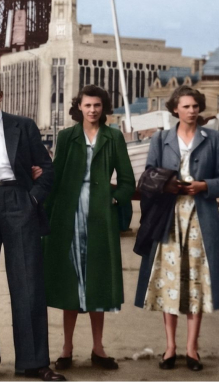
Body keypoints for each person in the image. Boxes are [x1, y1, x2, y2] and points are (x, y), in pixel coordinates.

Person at [0, 73, 63, 382]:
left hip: (18, 201)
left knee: (28, 283)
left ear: (0, 96)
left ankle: (34, 362)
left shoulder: (24, 126)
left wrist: (31, 199)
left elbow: (47, 169)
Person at [135, 85, 219, 372]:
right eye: (186, 106)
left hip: (200, 219)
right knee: (168, 283)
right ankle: (170, 347)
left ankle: (192, 349)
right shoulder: (161, 138)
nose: (192, 111)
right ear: (175, 109)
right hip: (167, 218)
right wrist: (168, 184)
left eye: (195, 106)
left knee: (196, 283)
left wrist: (205, 185)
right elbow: (148, 176)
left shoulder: (213, 138)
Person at [43, 85, 135, 372]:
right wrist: (43, 217)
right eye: (87, 105)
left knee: (96, 280)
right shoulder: (66, 136)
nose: (93, 110)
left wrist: (113, 198)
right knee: (70, 280)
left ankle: (98, 348)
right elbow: (55, 179)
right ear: (79, 107)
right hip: (67, 216)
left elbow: (128, 181)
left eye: (97, 105)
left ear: (104, 108)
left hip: (99, 216)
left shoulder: (114, 137)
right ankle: (67, 349)